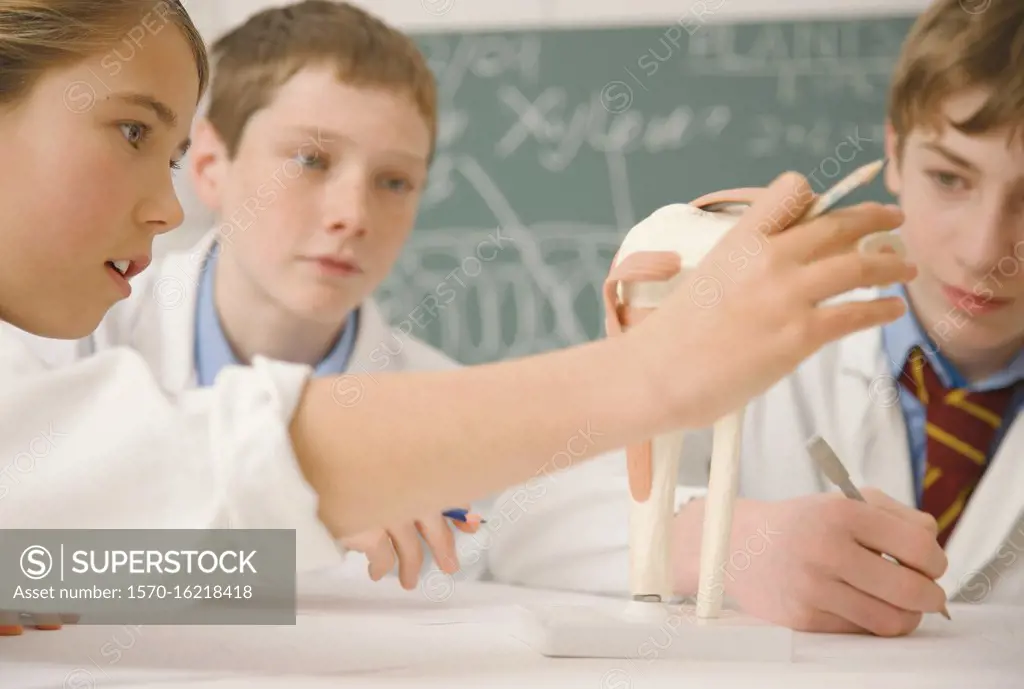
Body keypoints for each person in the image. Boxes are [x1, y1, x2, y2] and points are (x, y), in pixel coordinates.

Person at [0, 0, 914, 634]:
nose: (354, 212)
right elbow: (36, 544)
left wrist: (764, 543)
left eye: (394, 180)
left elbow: (587, 508)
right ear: (211, 167)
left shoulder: (437, 396)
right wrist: (291, 532)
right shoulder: (56, 341)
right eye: (310, 160)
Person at [507, 0, 1024, 638]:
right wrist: (732, 542)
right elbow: (521, 511)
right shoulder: (753, 330)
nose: (985, 250)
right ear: (893, 151)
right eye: (950, 178)